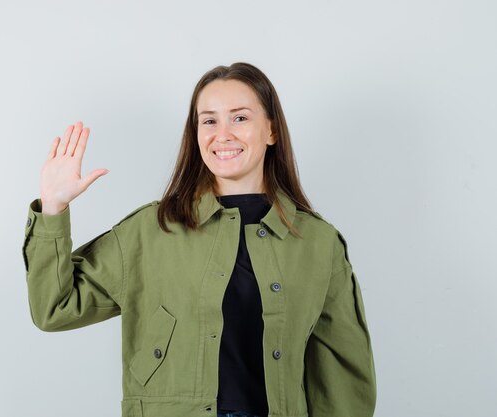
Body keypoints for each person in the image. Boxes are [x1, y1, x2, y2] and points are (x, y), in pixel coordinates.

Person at [21, 62, 377, 417]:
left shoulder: (318, 243)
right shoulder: (150, 230)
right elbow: (55, 308)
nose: (222, 134)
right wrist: (53, 206)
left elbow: (342, 375)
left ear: (271, 130)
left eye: (239, 118)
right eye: (208, 120)